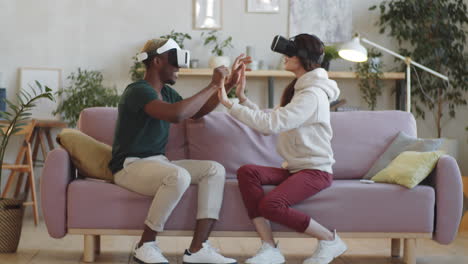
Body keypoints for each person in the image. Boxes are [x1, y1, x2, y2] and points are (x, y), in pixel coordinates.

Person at [109, 38, 249, 264]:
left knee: (214, 170)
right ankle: (145, 245)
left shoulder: (167, 92)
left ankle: (198, 248)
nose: (179, 68)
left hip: (158, 162)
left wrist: (228, 84)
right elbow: (176, 114)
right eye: (174, 62)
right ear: (157, 61)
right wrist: (213, 84)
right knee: (178, 175)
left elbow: (197, 112)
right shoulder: (138, 90)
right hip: (130, 166)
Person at [217, 34, 347, 264]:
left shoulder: (312, 95)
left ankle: (329, 239)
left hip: (315, 171)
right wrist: (242, 98)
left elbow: (272, 124)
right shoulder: (300, 90)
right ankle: (269, 247)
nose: (284, 57)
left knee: (271, 205)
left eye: (290, 53)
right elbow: (271, 123)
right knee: (248, 172)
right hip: (296, 169)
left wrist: (230, 105)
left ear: (303, 57)